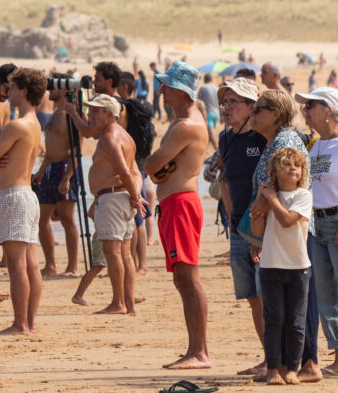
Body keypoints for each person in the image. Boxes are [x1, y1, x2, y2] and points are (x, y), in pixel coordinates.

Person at [143, 61, 210, 369]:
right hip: (175, 203)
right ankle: (195, 350)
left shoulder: (186, 125)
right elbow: (157, 166)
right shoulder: (182, 119)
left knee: (188, 278)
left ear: (181, 90)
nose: (161, 91)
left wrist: (157, 167)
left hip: (181, 203)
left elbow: (151, 165)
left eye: (166, 86)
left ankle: (199, 352)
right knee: (182, 279)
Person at [295, 87, 338, 378]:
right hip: (317, 226)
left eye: (311, 105)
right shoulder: (313, 146)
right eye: (305, 105)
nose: (305, 110)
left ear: (329, 110)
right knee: (326, 295)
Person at [0, 68, 45, 334]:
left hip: (14, 195)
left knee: (17, 264)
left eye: (14, 88)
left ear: (24, 91)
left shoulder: (16, 125)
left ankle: (20, 323)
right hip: (28, 194)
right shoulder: (35, 124)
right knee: (31, 263)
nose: (9, 93)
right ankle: (29, 322)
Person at [215, 78, 271, 376]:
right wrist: (232, 218)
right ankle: (268, 357)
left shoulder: (263, 138)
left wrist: (259, 226)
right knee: (252, 297)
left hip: (265, 229)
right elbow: (225, 179)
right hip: (239, 228)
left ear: (252, 107)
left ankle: (280, 358)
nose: (226, 108)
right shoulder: (225, 139)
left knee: (268, 294)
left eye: (233, 102)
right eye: (225, 102)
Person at [249, 147, 313, 386]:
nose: (293, 168)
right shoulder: (268, 196)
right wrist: (261, 198)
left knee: (296, 322)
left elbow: (287, 220)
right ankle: (273, 369)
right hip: (271, 265)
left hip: (298, 266)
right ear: (276, 171)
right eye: (287, 164)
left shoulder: (303, 196)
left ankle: (293, 369)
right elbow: (257, 231)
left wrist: (271, 198)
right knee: (274, 318)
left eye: (297, 165)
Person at [82, 95, 143, 314]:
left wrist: (136, 197)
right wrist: (135, 196)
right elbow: (135, 172)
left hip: (113, 199)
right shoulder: (125, 136)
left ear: (109, 114)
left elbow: (125, 172)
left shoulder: (109, 138)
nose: (90, 115)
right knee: (125, 253)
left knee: (113, 253)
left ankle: (118, 303)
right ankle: (129, 304)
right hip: (121, 198)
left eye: (95, 111)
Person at [32, 77, 80, 278]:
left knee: (67, 219)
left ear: (63, 90)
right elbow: (51, 148)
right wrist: (41, 171)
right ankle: (50, 265)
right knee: (41, 219)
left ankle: (72, 267)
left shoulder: (71, 115)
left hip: (64, 169)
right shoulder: (54, 114)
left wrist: (67, 177)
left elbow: (76, 150)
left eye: (53, 87)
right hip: (50, 170)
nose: (49, 90)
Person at [198, 74, 220, 149]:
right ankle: (204, 151)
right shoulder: (217, 88)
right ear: (211, 80)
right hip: (216, 114)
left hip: (208, 114)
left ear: (204, 80)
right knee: (209, 135)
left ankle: (218, 152)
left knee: (211, 135)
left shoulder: (203, 87)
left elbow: (198, 101)